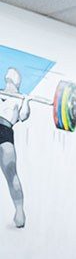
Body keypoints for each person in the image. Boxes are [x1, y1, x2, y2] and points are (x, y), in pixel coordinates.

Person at [0, 67, 30, 228]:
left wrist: (27, 102)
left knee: (11, 175)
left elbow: (23, 116)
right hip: (4, 131)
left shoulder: (21, 98)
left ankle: (20, 212)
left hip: (5, 132)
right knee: (12, 176)